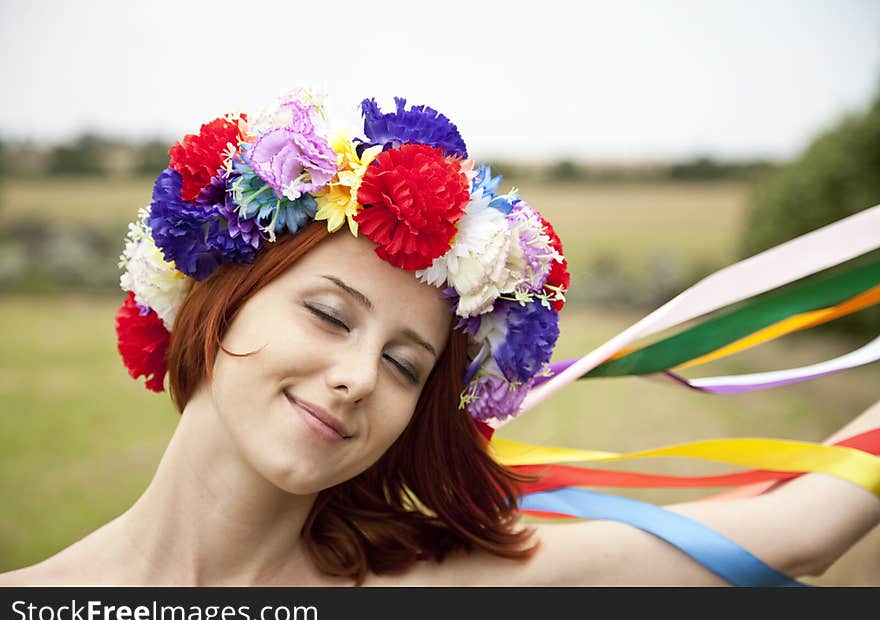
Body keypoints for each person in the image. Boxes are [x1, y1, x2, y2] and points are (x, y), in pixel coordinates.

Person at [1, 91, 878, 587]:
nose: (355, 377)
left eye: (404, 364)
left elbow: (797, 529)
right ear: (221, 301)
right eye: (330, 314)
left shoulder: (435, 591)